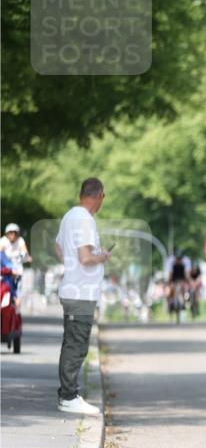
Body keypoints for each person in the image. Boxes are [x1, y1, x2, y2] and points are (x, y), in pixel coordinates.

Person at [53, 178, 110, 415]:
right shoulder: (85, 219)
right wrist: (102, 256)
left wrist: (70, 264)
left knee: (71, 342)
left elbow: (58, 246)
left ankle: (69, 394)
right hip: (81, 293)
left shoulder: (70, 216)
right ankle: (68, 397)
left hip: (73, 288)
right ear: (100, 196)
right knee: (76, 345)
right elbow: (86, 258)